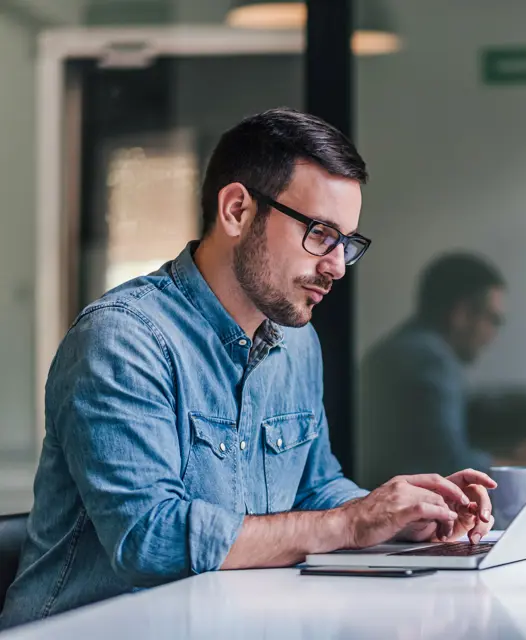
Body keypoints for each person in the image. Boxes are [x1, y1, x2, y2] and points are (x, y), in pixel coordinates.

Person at [0, 108, 496, 629]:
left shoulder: (297, 341)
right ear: (237, 210)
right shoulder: (123, 340)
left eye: (347, 243)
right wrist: (350, 523)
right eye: (322, 234)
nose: (337, 266)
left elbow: (313, 491)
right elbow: (148, 538)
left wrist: (402, 518)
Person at [358, 253, 508, 488]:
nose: (492, 336)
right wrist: (523, 462)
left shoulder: (399, 348)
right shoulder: (430, 361)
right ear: (462, 314)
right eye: (493, 319)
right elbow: (448, 464)